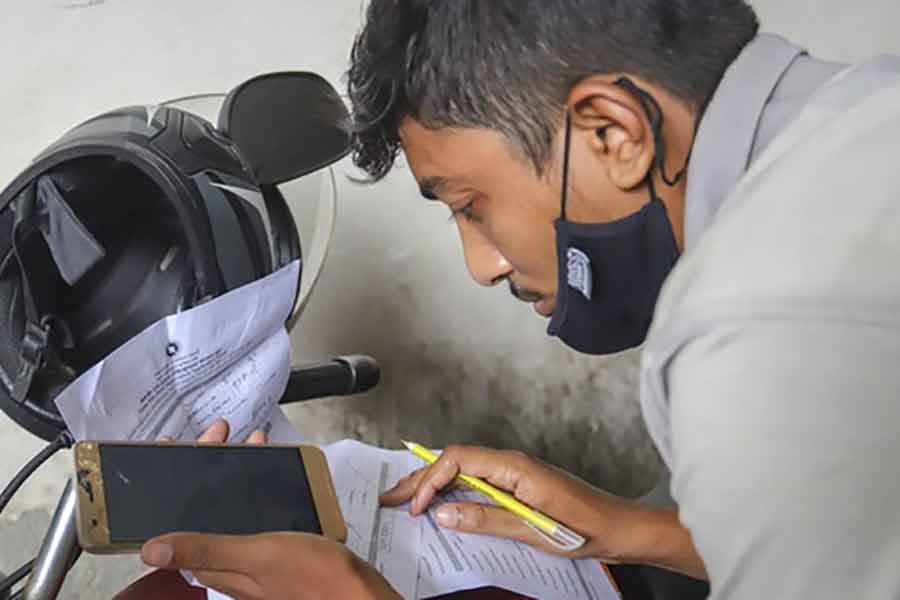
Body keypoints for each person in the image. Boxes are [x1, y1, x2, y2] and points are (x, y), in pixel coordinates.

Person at [139, 1, 900, 598]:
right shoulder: (864, 102)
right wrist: (633, 530)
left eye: (469, 205)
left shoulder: (752, 334)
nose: (482, 263)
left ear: (613, 132)